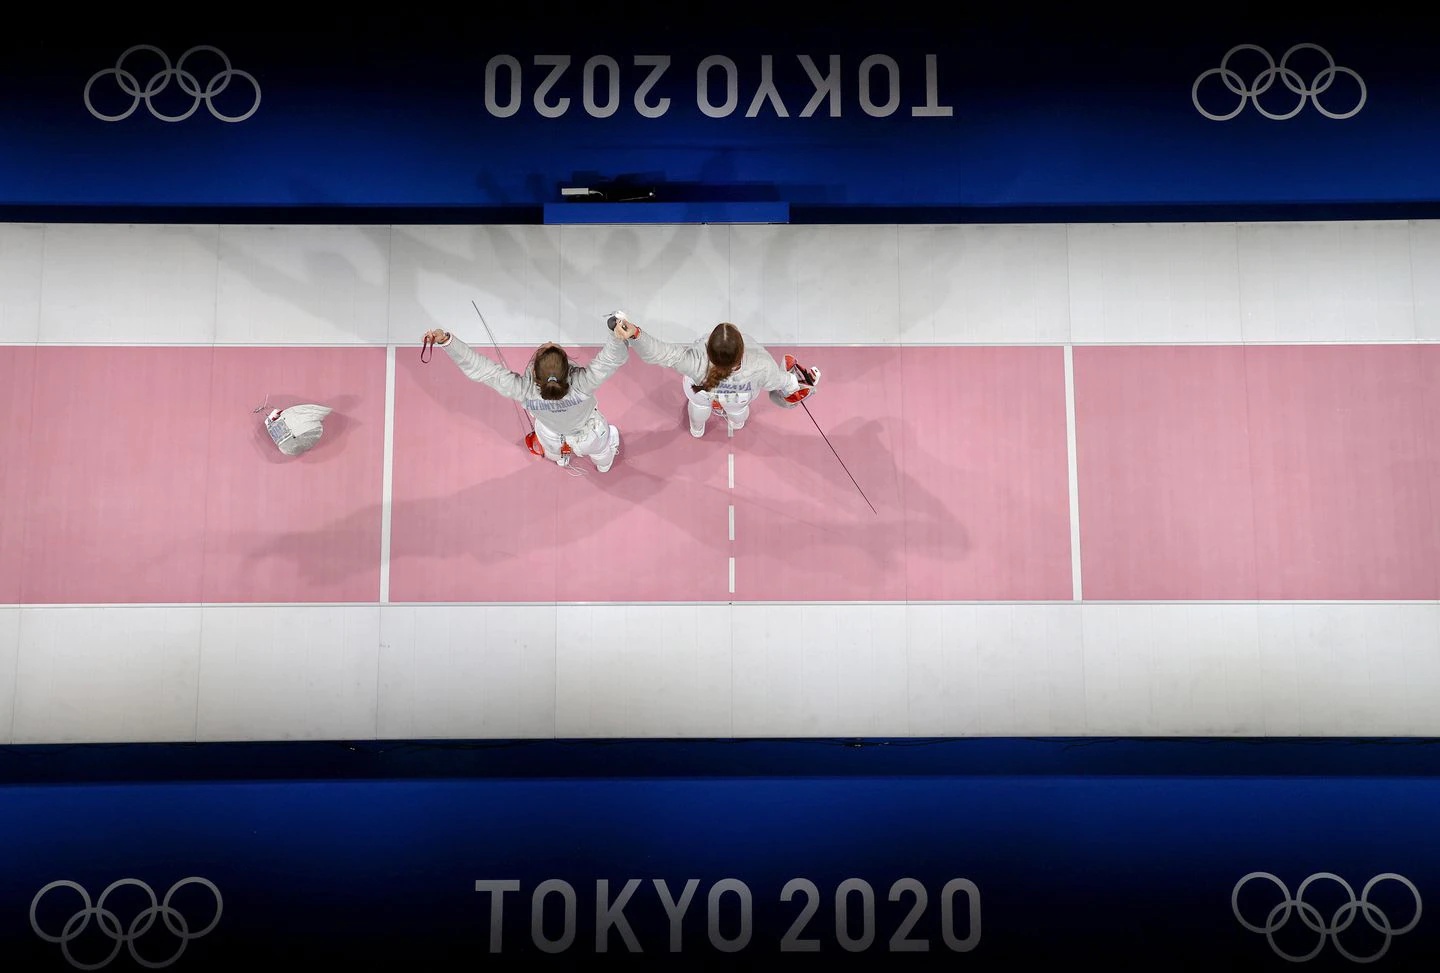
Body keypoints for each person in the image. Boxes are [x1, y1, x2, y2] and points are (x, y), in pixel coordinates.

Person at [422, 325, 631, 472]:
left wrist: (447, 341)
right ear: (567, 367)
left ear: (535, 372)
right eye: (553, 346)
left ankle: (561, 459)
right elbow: (610, 360)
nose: (550, 342)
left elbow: (482, 370)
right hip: (590, 435)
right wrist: (617, 336)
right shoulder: (583, 383)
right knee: (603, 448)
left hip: (550, 436)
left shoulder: (524, 391)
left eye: (547, 346)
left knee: (555, 451)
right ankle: (603, 465)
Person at [606, 312, 819, 438]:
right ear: (742, 349)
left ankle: (697, 430)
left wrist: (635, 333)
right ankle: (736, 424)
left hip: (700, 393)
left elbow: (659, 353)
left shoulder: (694, 361)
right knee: (738, 413)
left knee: (699, 408)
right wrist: (795, 384)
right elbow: (782, 381)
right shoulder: (760, 364)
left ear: (708, 348)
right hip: (738, 398)